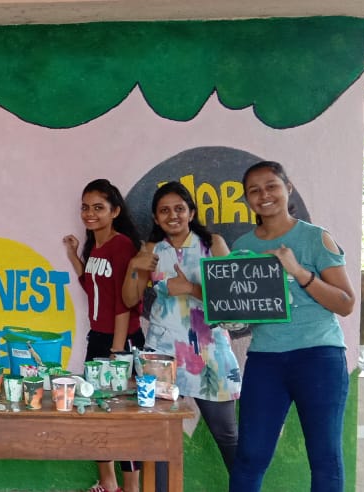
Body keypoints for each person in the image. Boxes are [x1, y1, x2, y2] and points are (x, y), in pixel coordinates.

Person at [228, 161, 355, 492]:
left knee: (324, 457)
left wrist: (298, 271)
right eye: (254, 190)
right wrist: (230, 314)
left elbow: (345, 303)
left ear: (288, 188)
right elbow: (244, 312)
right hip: (265, 359)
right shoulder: (243, 247)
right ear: (247, 199)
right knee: (249, 457)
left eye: (271, 186)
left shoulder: (315, 238)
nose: (264, 195)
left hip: (319, 356)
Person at [121, 181, 241, 484]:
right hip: (162, 357)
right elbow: (129, 300)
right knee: (160, 439)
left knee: (227, 436)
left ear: (191, 212)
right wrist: (135, 266)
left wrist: (190, 288)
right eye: (164, 210)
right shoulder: (152, 250)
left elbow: (232, 303)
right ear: (156, 217)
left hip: (211, 355)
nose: (172, 215)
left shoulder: (212, 244)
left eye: (179, 209)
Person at [62, 178, 143, 492]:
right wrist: (73, 255)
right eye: (85, 207)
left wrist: (117, 352)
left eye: (98, 207)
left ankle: (131, 487)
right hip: (98, 338)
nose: (89, 213)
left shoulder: (122, 246)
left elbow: (124, 302)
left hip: (121, 342)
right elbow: (92, 287)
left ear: (115, 211)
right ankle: (109, 483)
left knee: (122, 416)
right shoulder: (96, 245)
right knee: (96, 409)